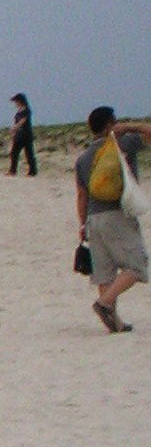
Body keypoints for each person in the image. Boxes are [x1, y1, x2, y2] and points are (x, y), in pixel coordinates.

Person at [75, 105, 146, 334]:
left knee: (105, 272)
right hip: (117, 214)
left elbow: (81, 195)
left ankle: (114, 322)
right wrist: (131, 126)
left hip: (94, 218)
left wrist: (82, 224)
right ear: (110, 124)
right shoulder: (121, 145)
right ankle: (105, 304)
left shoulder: (83, 158)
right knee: (136, 266)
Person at [8, 92, 37, 178]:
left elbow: (22, 121)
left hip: (26, 135)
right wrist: (14, 132)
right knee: (14, 153)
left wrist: (14, 128)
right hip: (19, 135)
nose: (15, 103)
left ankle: (33, 171)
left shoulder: (26, 110)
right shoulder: (19, 111)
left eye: (16, 101)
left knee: (29, 153)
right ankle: (13, 170)